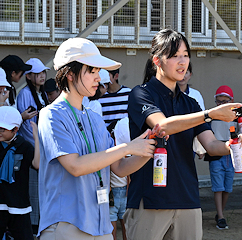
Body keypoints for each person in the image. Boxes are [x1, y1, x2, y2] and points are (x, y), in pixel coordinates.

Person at [37, 37, 162, 239]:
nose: (99, 77)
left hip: (101, 225)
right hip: (66, 225)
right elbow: (75, 166)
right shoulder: (51, 115)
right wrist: (128, 147)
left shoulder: (94, 118)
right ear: (69, 73)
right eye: (92, 71)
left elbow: (120, 168)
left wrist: (148, 147)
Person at [124, 29, 241, 240]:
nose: (182, 62)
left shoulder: (191, 103)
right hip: (150, 199)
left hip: (188, 200)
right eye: (175, 55)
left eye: (186, 55)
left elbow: (211, 144)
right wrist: (209, 114)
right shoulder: (140, 94)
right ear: (157, 60)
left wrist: (232, 145)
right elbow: (162, 126)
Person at [16, 57, 50, 235]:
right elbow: (26, 127)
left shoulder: (40, 93)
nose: (42, 76)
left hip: (39, 146)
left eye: (43, 72)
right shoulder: (25, 94)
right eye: (37, 73)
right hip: (32, 148)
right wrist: (38, 144)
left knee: (40, 187)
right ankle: (34, 226)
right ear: (28, 76)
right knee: (33, 188)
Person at [0, 106, 40, 240]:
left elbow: (37, 164)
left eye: (3, 129)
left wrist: (37, 138)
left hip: (19, 204)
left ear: (15, 129)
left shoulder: (24, 146)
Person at [204, 85, 238, 230]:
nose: (221, 104)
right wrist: (201, 150)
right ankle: (221, 216)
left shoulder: (237, 116)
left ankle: (220, 213)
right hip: (216, 153)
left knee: (227, 188)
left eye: (225, 101)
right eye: (219, 101)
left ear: (231, 101)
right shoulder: (211, 116)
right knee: (218, 187)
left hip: (232, 154)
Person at [110, 117, 131, 240]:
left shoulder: (123, 151)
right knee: (112, 231)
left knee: (127, 230)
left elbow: (129, 174)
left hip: (123, 192)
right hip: (112, 194)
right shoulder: (108, 152)